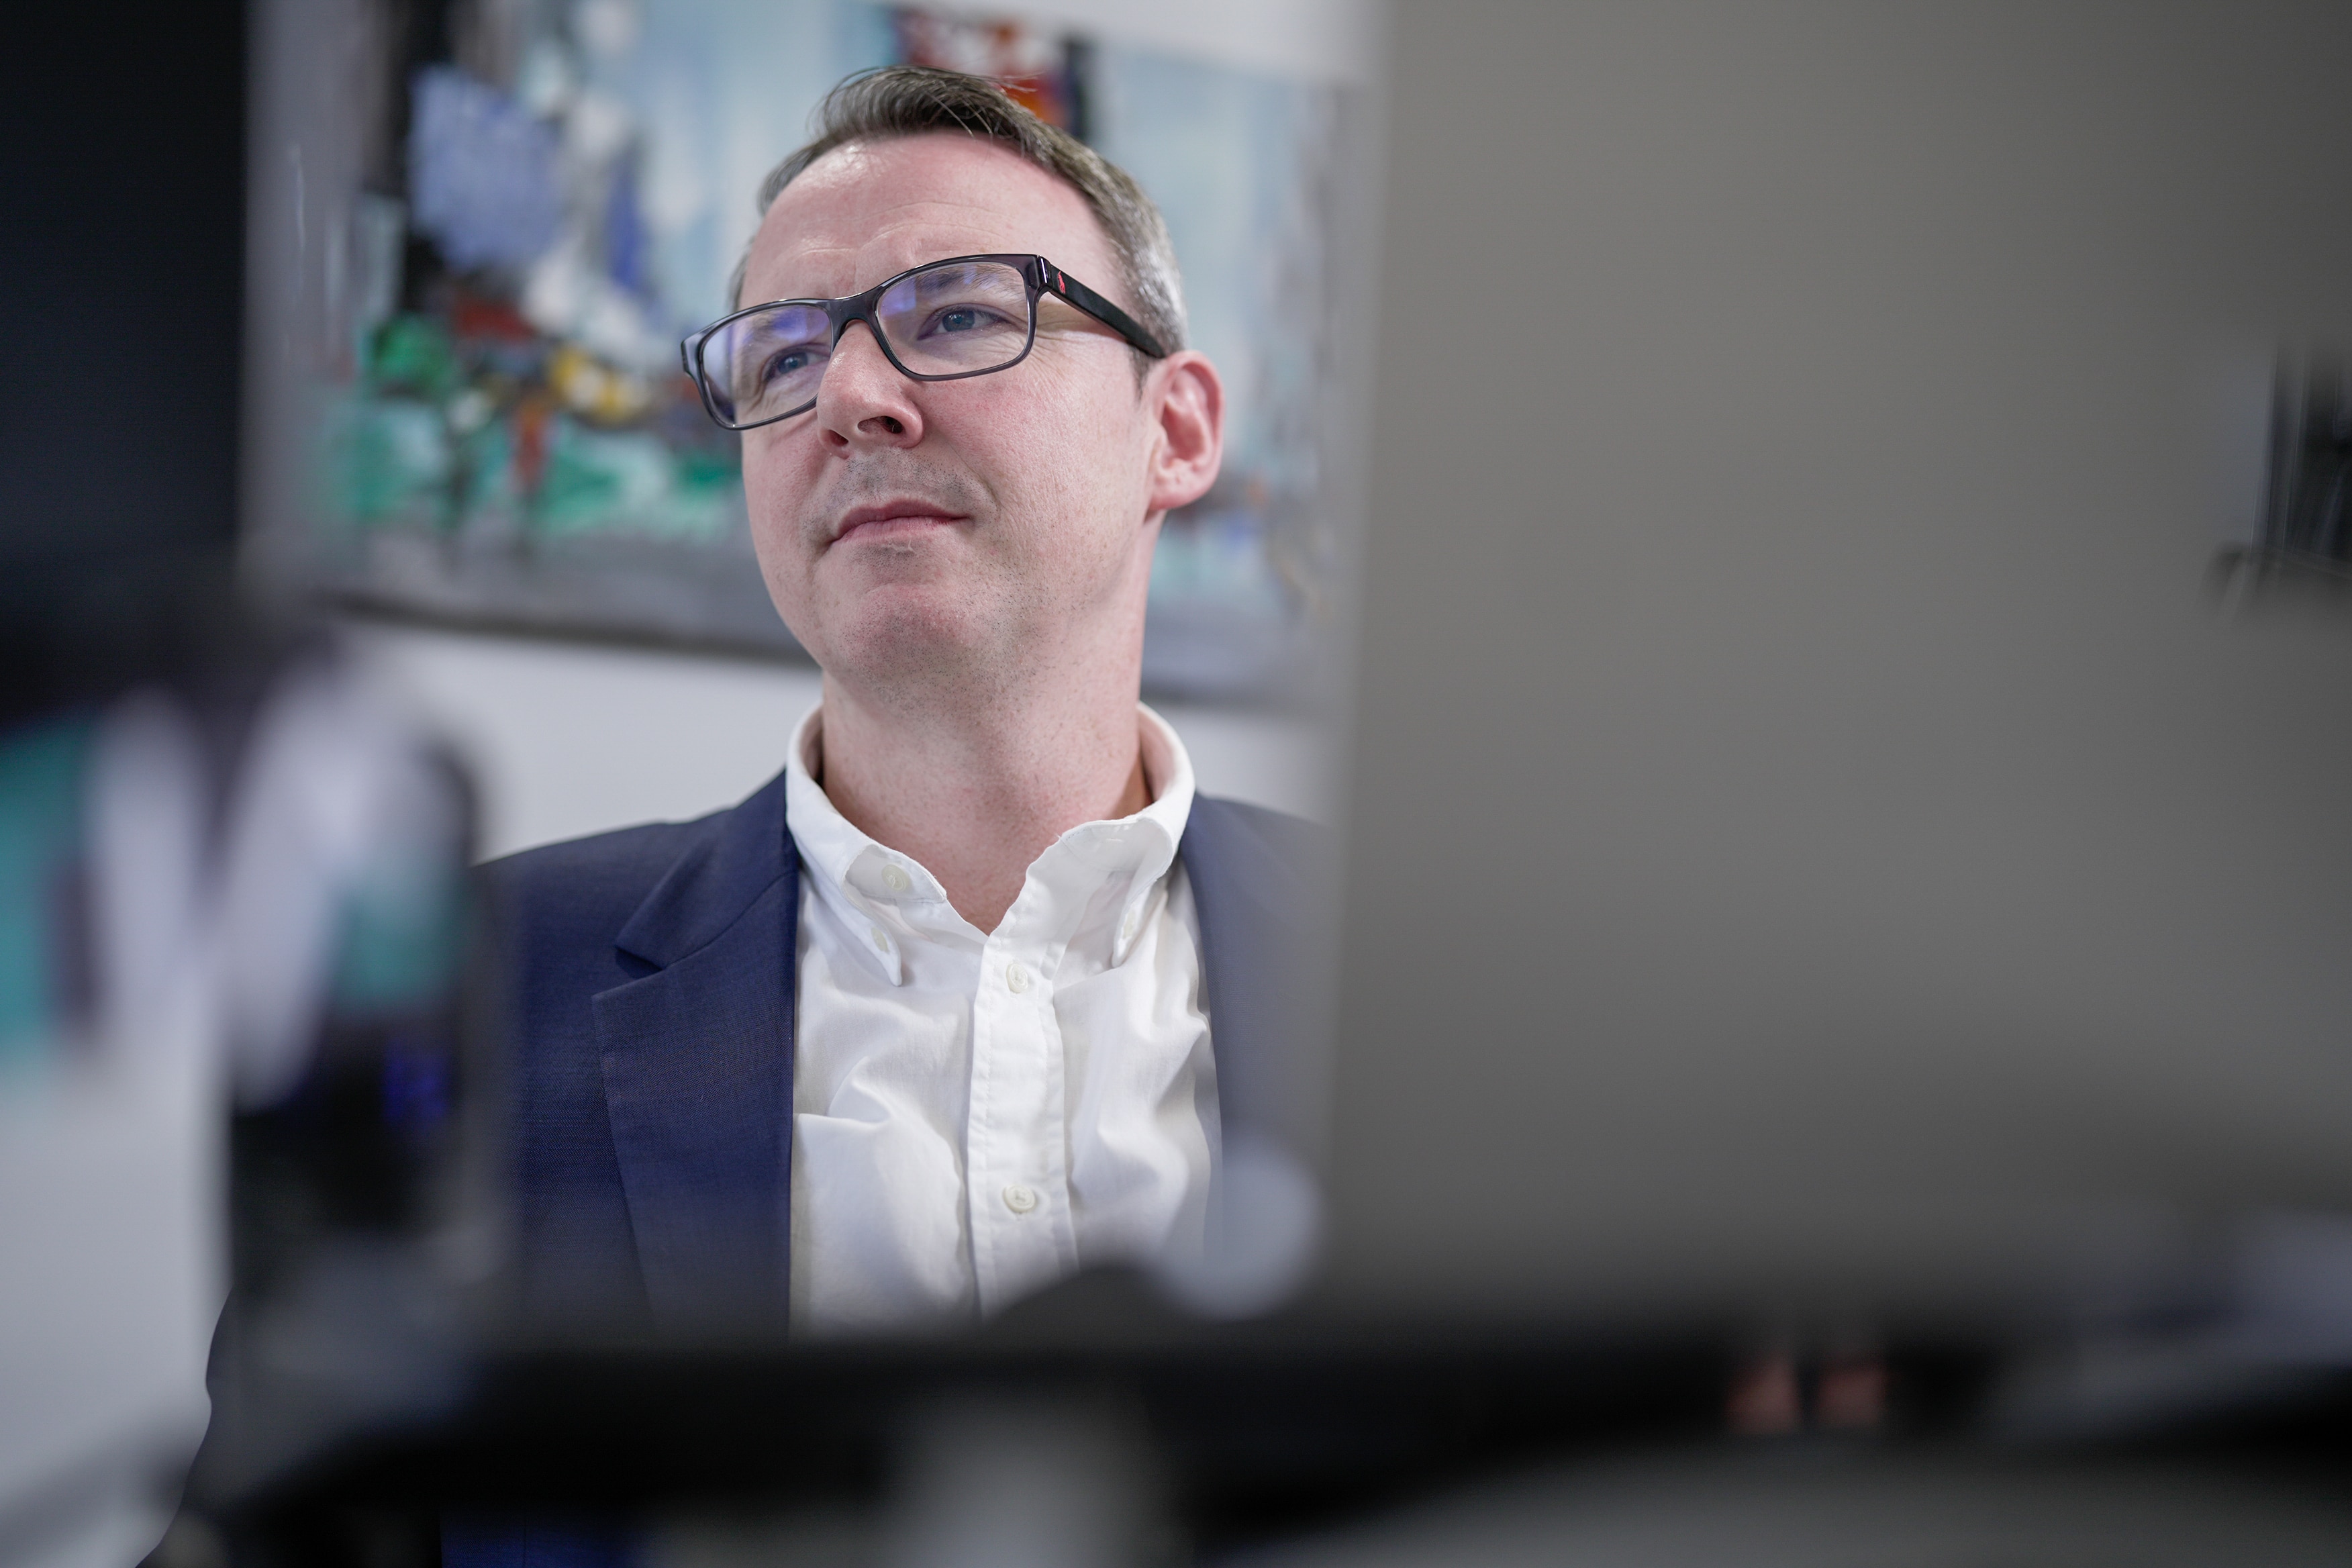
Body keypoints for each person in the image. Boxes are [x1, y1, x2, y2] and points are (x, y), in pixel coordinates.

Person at [487, 66, 1328, 1342]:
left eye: (956, 317)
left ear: (1178, 431)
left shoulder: (1450, 974)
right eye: (784, 352)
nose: (847, 398)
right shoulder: (474, 984)